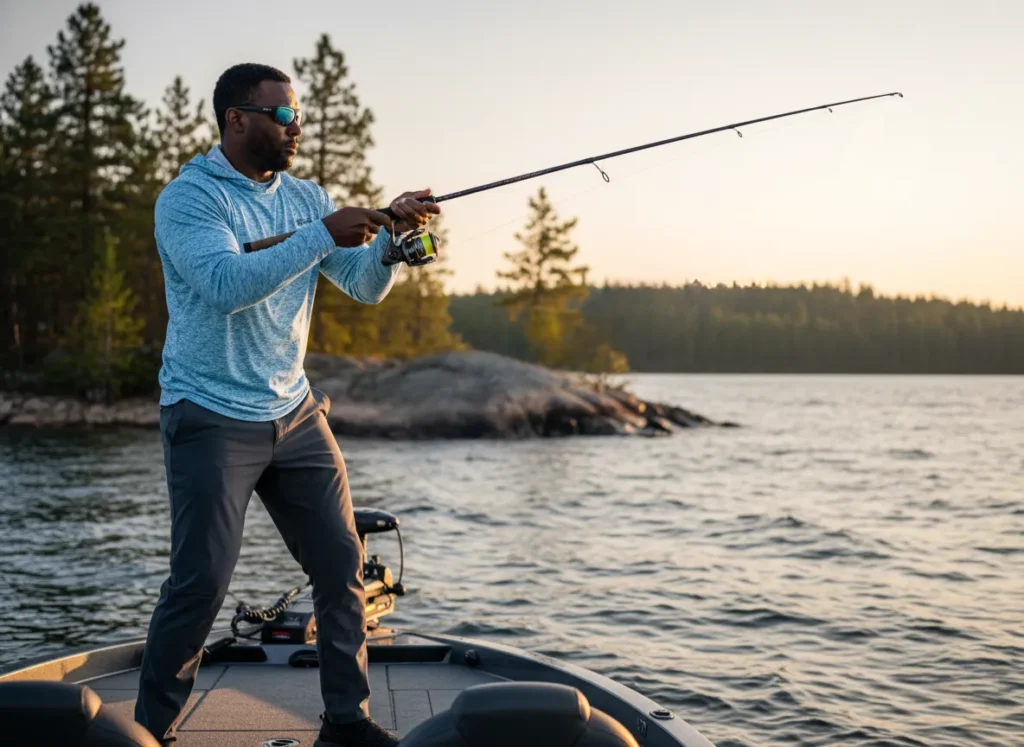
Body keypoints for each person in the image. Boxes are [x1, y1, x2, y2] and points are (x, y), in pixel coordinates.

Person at [134, 62, 439, 747]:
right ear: (236, 120)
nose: (293, 125)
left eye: (295, 114)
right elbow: (224, 283)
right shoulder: (188, 200)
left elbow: (359, 285)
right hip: (209, 412)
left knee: (340, 564)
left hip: (295, 413)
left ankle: (345, 723)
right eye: (279, 115)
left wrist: (389, 244)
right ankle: (149, 732)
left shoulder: (305, 196)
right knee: (201, 579)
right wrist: (322, 233)